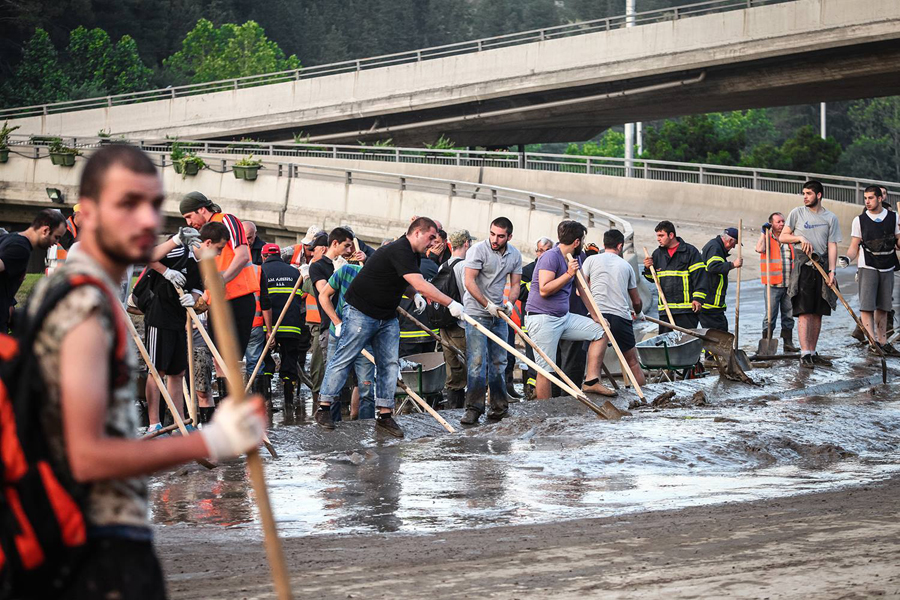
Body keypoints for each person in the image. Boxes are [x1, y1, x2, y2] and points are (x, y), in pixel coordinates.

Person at [28, 144, 264, 598]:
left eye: (152, 205)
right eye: (127, 205)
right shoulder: (78, 300)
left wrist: (179, 247)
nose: (144, 220)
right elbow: (84, 456)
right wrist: (209, 440)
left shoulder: (94, 283)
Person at [315, 217, 465, 437]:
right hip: (360, 311)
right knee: (344, 357)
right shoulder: (399, 249)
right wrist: (450, 303)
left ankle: (385, 416)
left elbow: (402, 281)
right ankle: (324, 408)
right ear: (416, 233)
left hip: (386, 315)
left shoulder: (412, 254)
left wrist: (414, 296)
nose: (434, 242)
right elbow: (420, 282)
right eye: (431, 236)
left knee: (389, 364)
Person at [525, 220, 613, 400]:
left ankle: (591, 381)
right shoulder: (550, 257)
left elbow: (582, 289)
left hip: (563, 318)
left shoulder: (577, 258)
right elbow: (544, 289)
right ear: (577, 241)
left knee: (602, 331)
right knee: (546, 370)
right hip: (542, 319)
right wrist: (568, 274)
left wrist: (597, 316)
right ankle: (545, 411)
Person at [179, 192, 260, 359]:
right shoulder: (202, 235)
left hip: (238, 298)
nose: (188, 222)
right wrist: (205, 297)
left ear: (201, 210)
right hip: (217, 301)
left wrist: (222, 280)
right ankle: (223, 385)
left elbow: (242, 255)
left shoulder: (227, 220)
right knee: (218, 359)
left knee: (231, 359)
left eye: (189, 216)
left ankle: (232, 385)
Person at [142, 227, 206, 434]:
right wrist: (166, 271)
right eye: (216, 248)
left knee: (177, 372)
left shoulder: (201, 264)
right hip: (160, 318)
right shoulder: (181, 251)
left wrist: (194, 298)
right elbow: (149, 256)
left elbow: (197, 287)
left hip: (179, 320)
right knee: (156, 371)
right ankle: (154, 424)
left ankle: (180, 422)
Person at [459, 217, 522, 425]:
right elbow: (469, 281)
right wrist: (487, 305)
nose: (495, 239)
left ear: (509, 237)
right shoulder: (478, 250)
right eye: (493, 234)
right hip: (477, 312)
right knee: (477, 362)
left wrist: (510, 304)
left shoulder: (515, 254)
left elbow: (515, 285)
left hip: (499, 315)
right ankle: (474, 408)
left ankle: (498, 407)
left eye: (501, 236)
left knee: (499, 362)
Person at [780, 180, 842, 368]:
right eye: (804, 193)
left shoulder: (830, 218)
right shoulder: (797, 213)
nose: (805, 197)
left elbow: (832, 246)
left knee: (819, 312)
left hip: (822, 268)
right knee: (804, 312)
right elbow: (782, 236)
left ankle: (813, 352)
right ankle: (805, 353)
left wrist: (832, 271)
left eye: (808, 193)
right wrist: (799, 237)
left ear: (819, 195)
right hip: (804, 267)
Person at [583, 229, 646, 387]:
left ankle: (593, 385)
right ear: (620, 245)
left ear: (604, 244)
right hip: (620, 316)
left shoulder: (590, 261)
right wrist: (639, 313)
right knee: (632, 362)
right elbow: (636, 300)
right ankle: (645, 394)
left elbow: (581, 289)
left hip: (596, 315)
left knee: (593, 363)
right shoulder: (626, 266)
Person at [309, 227, 360, 419]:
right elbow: (325, 292)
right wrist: (337, 273)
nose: (349, 251)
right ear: (335, 244)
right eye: (346, 246)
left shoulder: (351, 265)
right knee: (334, 375)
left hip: (354, 326)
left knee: (356, 378)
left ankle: (355, 420)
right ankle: (333, 420)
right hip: (330, 326)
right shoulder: (318, 266)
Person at [318, 261, 377, 419]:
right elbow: (323, 295)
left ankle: (367, 429)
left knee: (367, 388)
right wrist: (337, 322)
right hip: (339, 336)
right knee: (333, 383)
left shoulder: (382, 283)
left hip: (365, 339)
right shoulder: (347, 272)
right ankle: (331, 424)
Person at [845, 185, 900, 354]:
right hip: (867, 265)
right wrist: (847, 258)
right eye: (865, 198)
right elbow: (854, 245)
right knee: (867, 306)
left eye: (870, 198)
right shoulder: (859, 220)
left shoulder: (893, 217)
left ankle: (882, 341)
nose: (867, 202)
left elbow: (898, 244)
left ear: (880, 198)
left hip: (887, 265)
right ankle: (872, 342)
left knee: (884, 306)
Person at [0, 208, 66, 332]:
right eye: (56, 237)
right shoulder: (20, 248)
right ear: (45, 230)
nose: (56, 242)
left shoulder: (11, 239)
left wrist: (10, 302)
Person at [259, 243, 306, 406]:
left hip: (267, 327)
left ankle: (266, 401)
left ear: (263, 256)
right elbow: (300, 300)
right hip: (291, 326)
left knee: (264, 361)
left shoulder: (261, 271)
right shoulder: (294, 272)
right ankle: (288, 402)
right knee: (289, 361)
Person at [642, 221, 707, 332]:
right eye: (657, 236)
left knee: (685, 343)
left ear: (671, 235)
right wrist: (648, 268)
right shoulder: (657, 254)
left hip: (686, 311)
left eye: (661, 235)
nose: (658, 239)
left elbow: (700, 278)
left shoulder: (690, 252)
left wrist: (698, 299)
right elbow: (653, 280)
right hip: (665, 311)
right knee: (666, 345)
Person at [436, 230, 472, 409]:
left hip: (444, 324)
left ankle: (452, 409)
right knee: (470, 366)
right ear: (466, 243)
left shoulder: (443, 266)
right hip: (461, 325)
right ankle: (469, 408)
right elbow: (469, 295)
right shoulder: (464, 266)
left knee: (453, 369)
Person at [755, 212, 798, 352]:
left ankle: (788, 343)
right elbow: (759, 249)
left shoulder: (788, 238)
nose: (782, 224)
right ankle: (766, 342)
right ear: (771, 224)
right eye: (778, 222)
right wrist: (763, 233)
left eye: (783, 221)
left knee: (789, 314)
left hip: (789, 284)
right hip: (773, 284)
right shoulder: (767, 238)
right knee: (770, 316)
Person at [519, 237, 554, 398]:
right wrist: (539, 286)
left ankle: (547, 389)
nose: (542, 254)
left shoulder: (555, 267)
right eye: (540, 250)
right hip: (529, 320)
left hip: (550, 319)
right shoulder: (527, 270)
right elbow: (520, 292)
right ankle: (531, 389)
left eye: (547, 250)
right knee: (531, 355)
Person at [699, 227, 742, 332]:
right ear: (730, 240)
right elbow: (713, 266)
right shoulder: (715, 247)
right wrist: (732, 264)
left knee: (719, 332)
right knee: (718, 334)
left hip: (713, 305)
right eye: (734, 244)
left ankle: (711, 349)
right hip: (710, 304)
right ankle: (711, 349)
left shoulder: (716, 247)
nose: (734, 247)